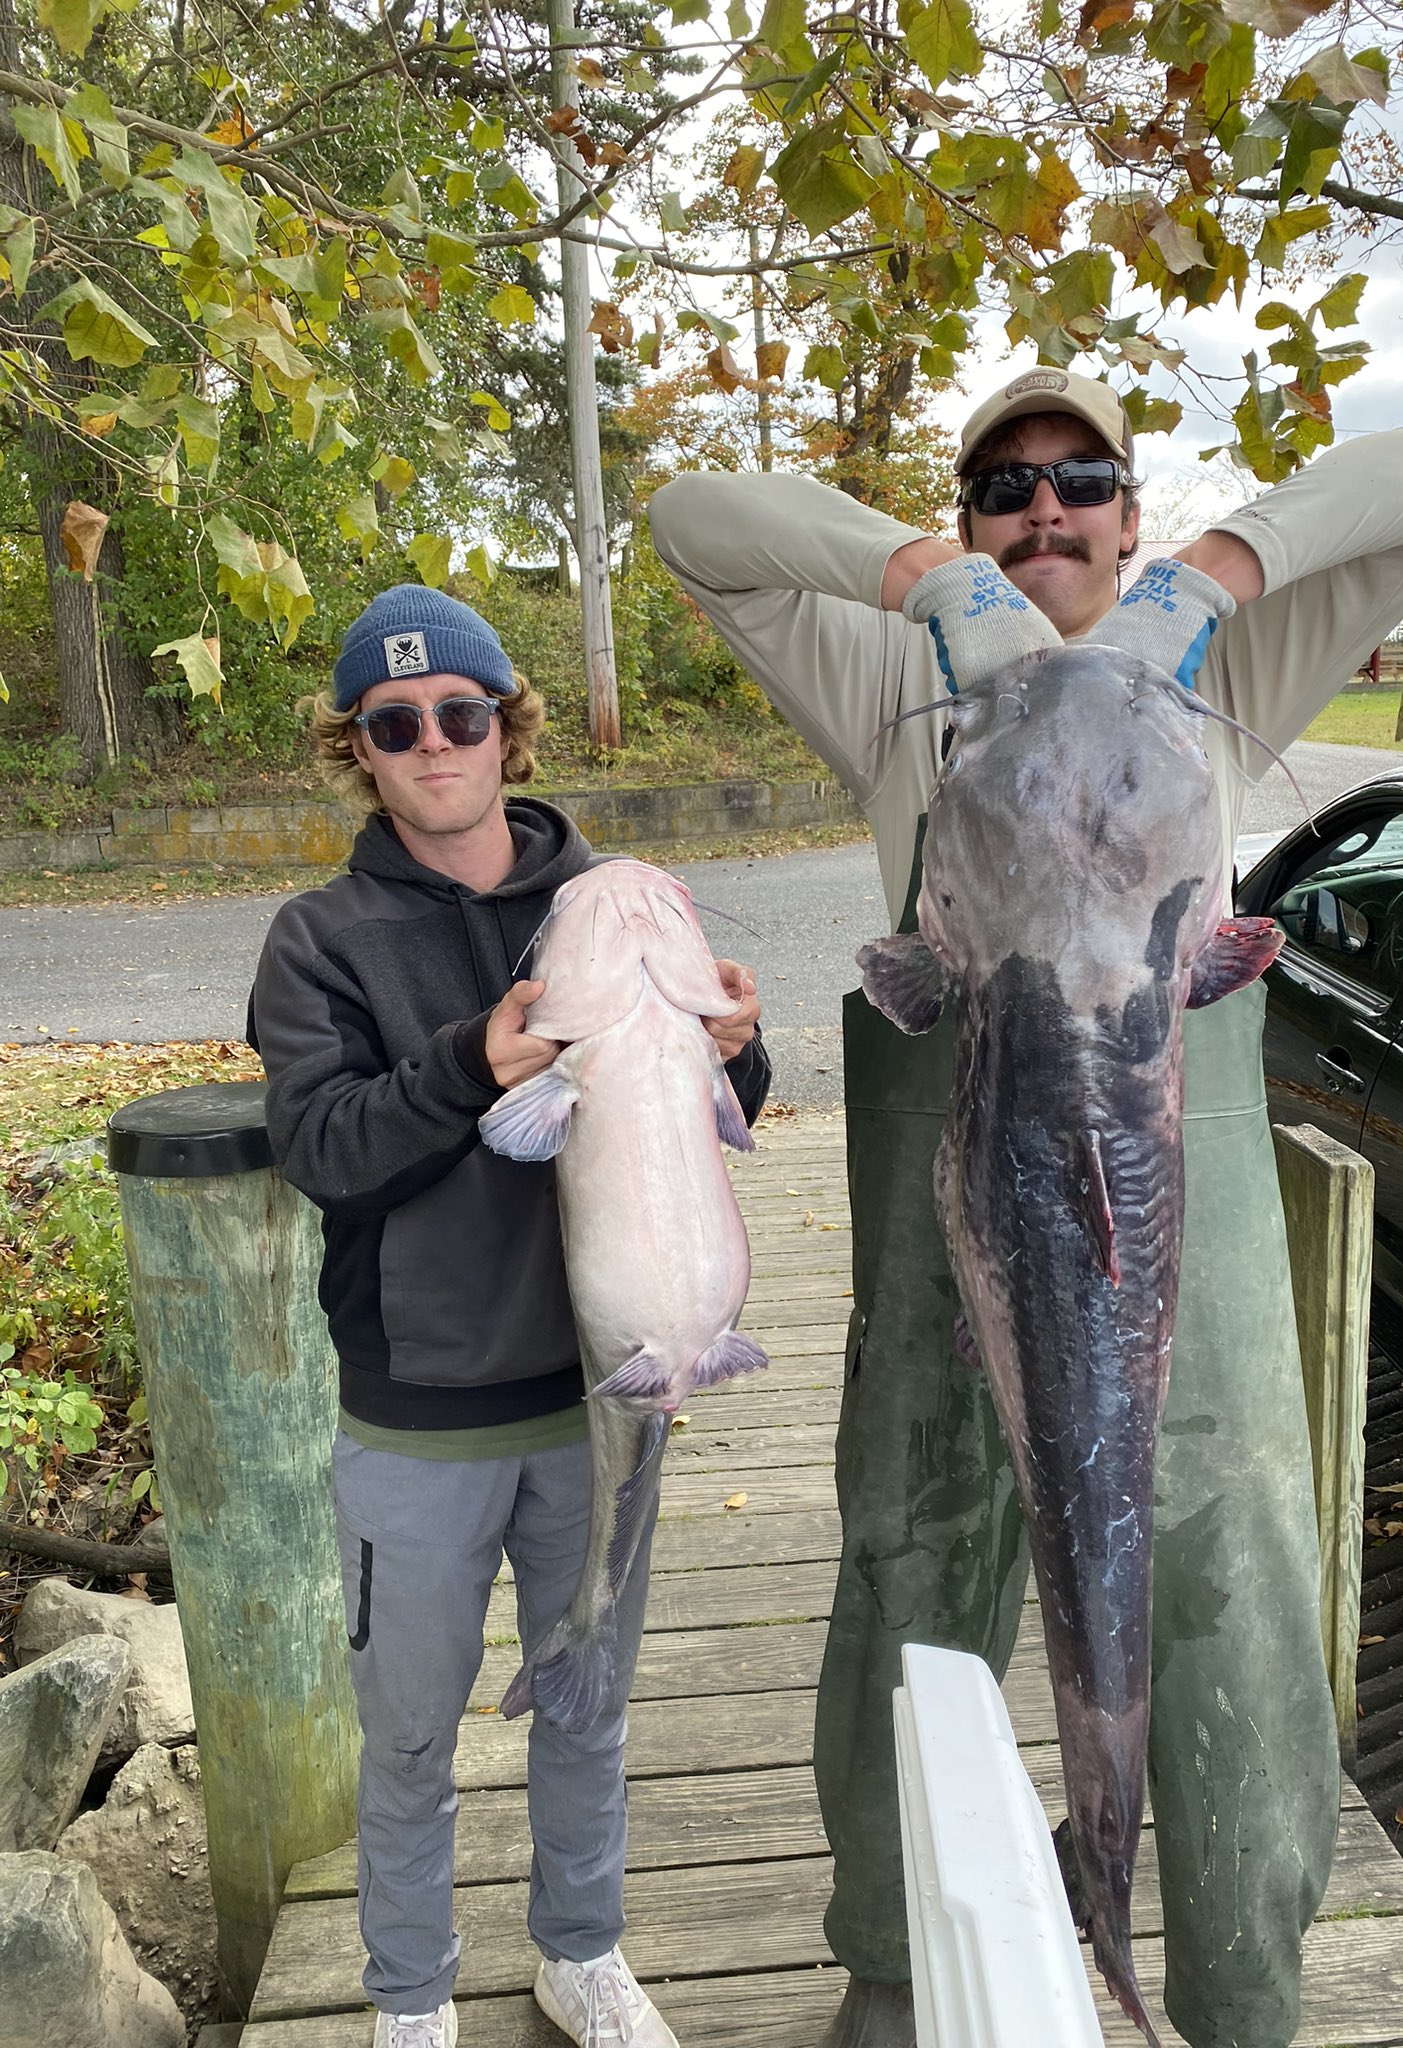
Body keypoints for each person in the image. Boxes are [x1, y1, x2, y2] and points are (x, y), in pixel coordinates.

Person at [649, 372, 1403, 2048]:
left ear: (1130, 512)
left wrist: (1220, 572)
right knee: (910, 1565)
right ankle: (899, 1967)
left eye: (1080, 481)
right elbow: (693, 523)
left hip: (1172, 1216)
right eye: (1002, 492)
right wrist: (933, 591)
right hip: (952, 1212)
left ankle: (1232, 1998)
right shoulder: (905, 682)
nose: (1041, 512)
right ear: (969, 521)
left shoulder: (1228, 671)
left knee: (1230, 1583)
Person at [247, 584, 769, 2048]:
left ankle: (580, 1951)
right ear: (359, 749)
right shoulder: (320, 941)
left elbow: (707, 1123)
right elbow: (325, 1149)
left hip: (605, 1387)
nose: (431, 744)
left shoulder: (616, 900)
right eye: (393, 725)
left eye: (460, 715)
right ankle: (411, 1997)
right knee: (408, 1734)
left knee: (589, 1698)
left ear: (506, 728)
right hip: (419, 1416)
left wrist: (738, 1044)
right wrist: (471, 1060)